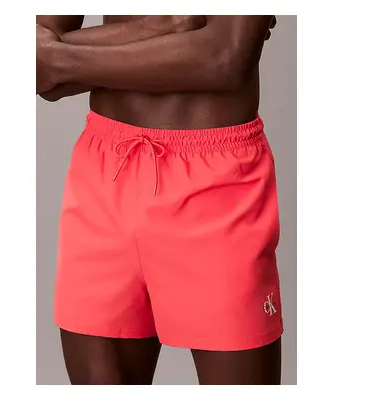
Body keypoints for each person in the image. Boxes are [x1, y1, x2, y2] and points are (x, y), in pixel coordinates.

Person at [36, 15, 283, 385]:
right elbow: (34, 63)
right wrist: (161, 25)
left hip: (216, 184)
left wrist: (61, 58)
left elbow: (224, 59)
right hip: (106, 171)